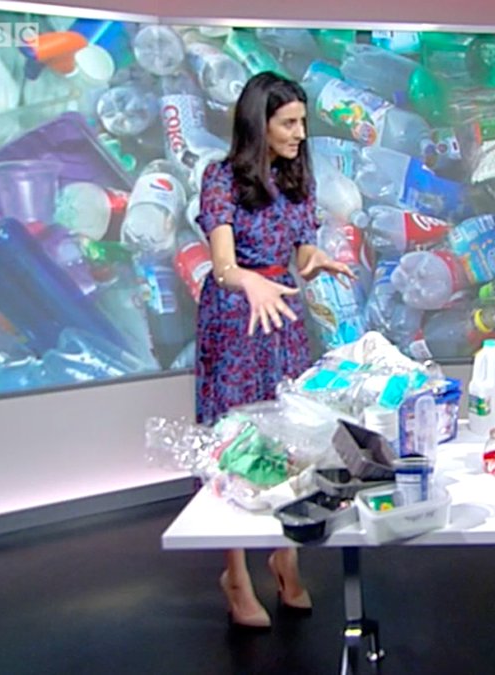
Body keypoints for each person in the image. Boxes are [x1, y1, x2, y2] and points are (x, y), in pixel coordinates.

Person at [195, 71, 354, 630]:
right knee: (234, 439)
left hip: (281, 315)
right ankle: (234, 571)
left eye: (303, 123)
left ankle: (285, 556)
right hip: (236, 318)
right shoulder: (220, 179)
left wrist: (314, 259)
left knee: (289, 435)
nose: (299, 134)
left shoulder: (296, 178)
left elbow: (301, 245)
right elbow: (223, 265)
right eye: (289, 123)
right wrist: (252, 281)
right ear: (257, 123)